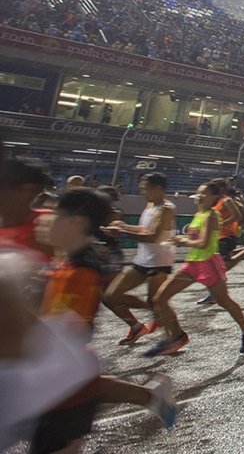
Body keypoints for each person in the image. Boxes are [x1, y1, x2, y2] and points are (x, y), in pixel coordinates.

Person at [30, 187, 177, 452]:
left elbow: (57, 333)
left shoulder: (78, 274)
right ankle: (151, 395)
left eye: (54, 214)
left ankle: (151, 393)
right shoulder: (65, 265)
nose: (43, 219)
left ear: (76, 222)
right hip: (61, 377)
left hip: (61, 383)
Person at [144, 181, 244, 357]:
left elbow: (203, 243)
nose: (200, 196)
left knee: (224, 301)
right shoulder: (199, 214)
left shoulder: (212, 216)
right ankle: (176, 337)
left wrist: (182, 240)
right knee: (160, 298)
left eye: (204, 193)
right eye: (198, 192)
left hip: (208, 264)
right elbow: (195, 238)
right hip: (192, 263)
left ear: (214, 197)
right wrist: (179, 238)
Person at [101, 172, 176, 345]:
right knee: (110, 296)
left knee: (156, 302)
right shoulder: (150, 205)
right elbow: (144, 229)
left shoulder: (166, 209)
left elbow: (152, 237)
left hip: (159, 261)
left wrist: (122, 233)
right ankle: (140, 326)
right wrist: (124, 226)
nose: (143, 192)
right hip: (142, 259)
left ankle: (174, 337)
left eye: (146, 189)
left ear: (158, 189)